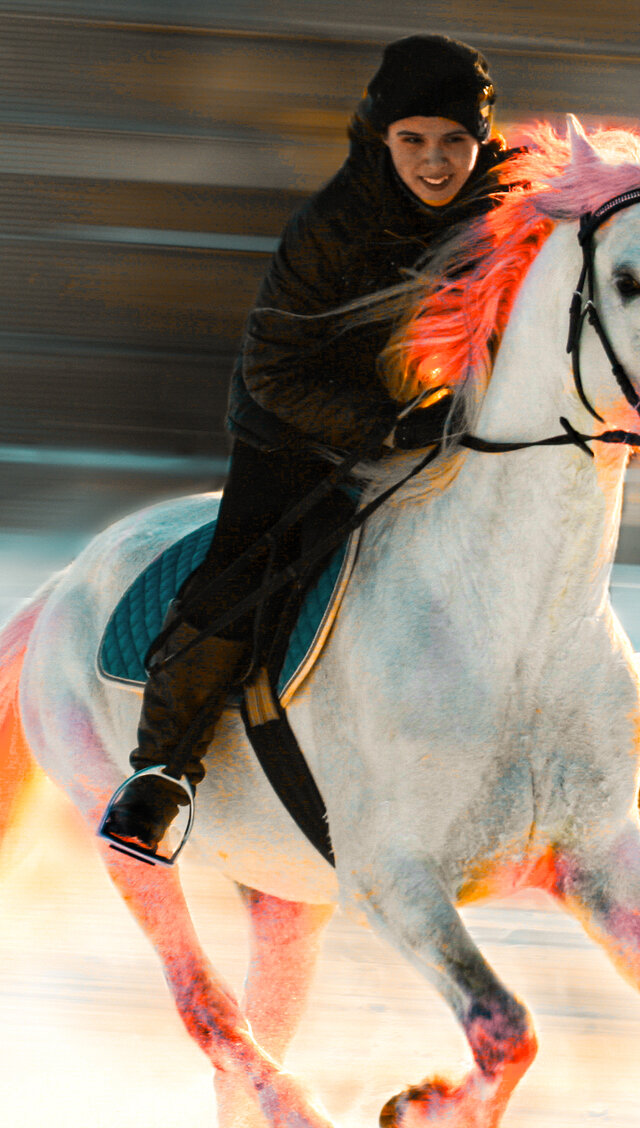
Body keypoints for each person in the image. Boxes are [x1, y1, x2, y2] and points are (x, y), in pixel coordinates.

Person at [99, 34, 509, 863]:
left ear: (482, 140)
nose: (435, 163)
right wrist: (384, 427)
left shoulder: (505, 209)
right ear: (380, 138)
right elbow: (274, 368)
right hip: (294, 428)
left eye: (454, 142)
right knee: (251, 571)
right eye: (413, 141)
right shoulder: (329, 226)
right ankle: (161, 774)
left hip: (434, 425)